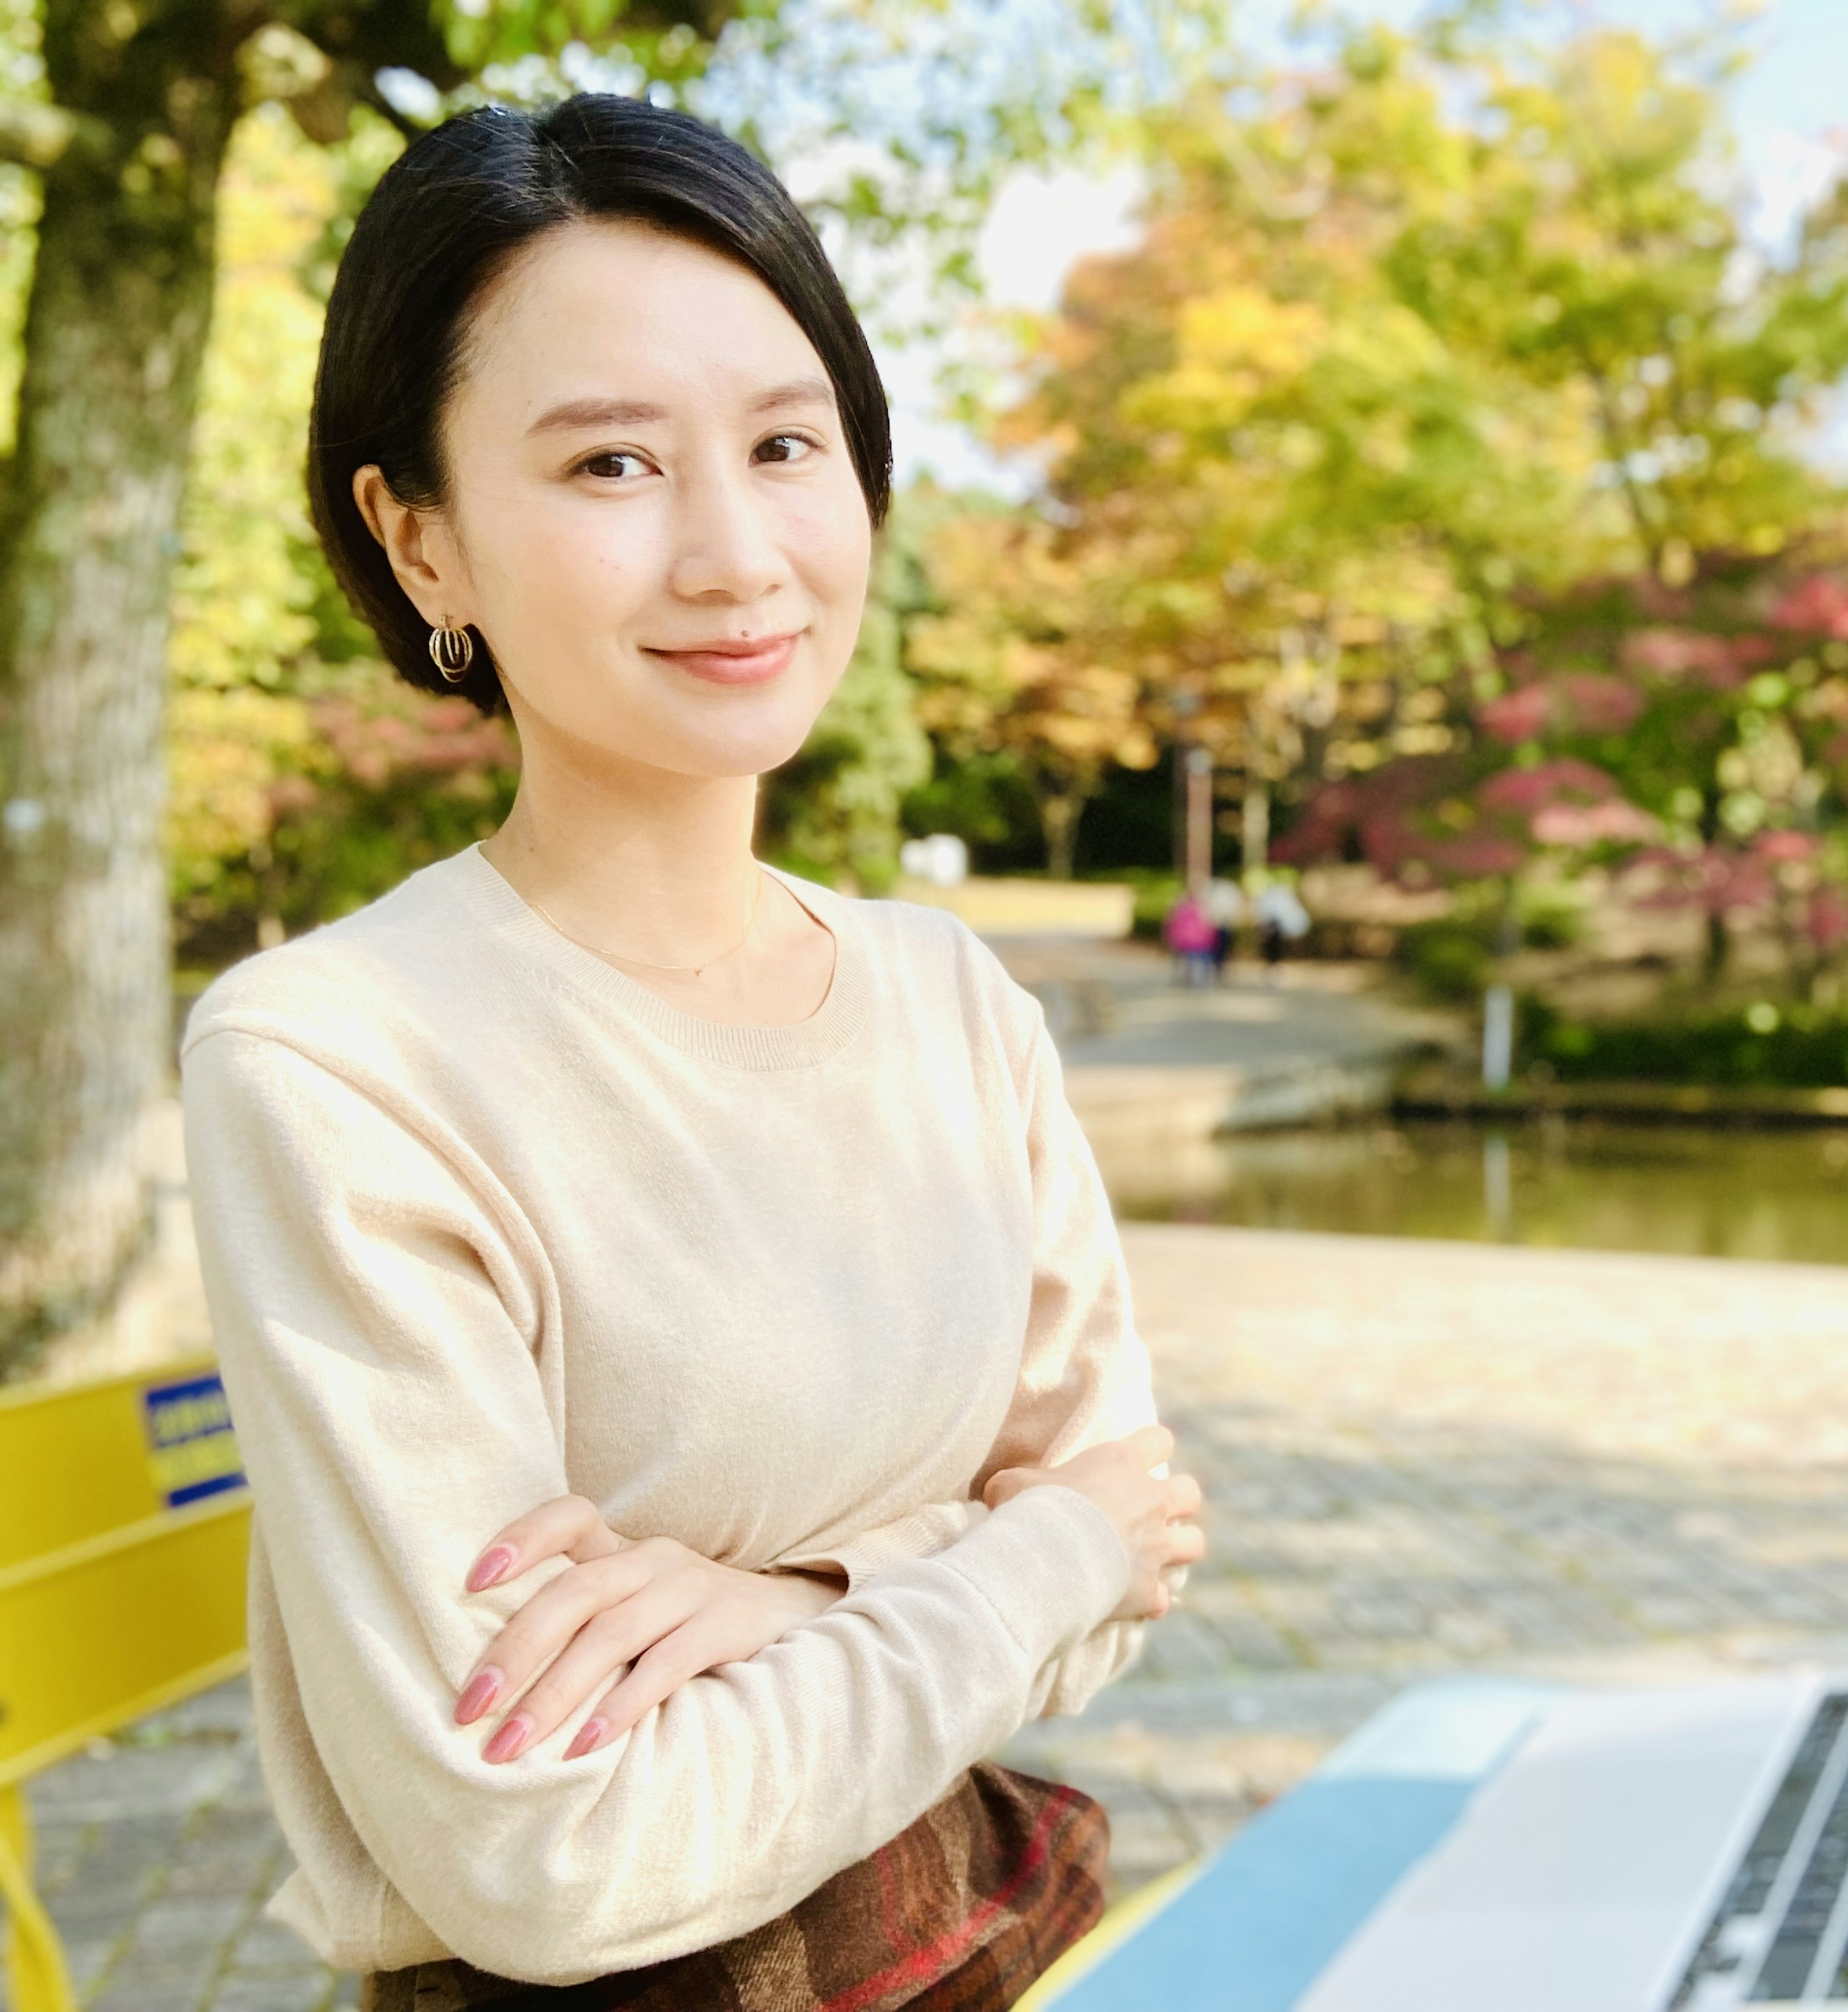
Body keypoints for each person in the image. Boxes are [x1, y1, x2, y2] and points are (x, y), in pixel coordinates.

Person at [177, 96, 1203, 2010]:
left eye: (787, 443)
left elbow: (1137, 1522)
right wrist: (1014, 1548)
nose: (738, 553)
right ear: (423, 542)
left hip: (969, 1943)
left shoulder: (952, 1000)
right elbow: (559, 1857)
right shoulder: (337, 1060)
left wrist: (798, 1594)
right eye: (613, 464)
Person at [1162, 889, 1218, 988]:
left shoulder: (1180, 909)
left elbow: (1172, 923)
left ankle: (1190, 980)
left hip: (1188, 940)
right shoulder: (1201, 908)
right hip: (1201, 939)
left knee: (1190, 961)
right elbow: (1209, 923)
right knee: (1204, 960)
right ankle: (1203, 979)